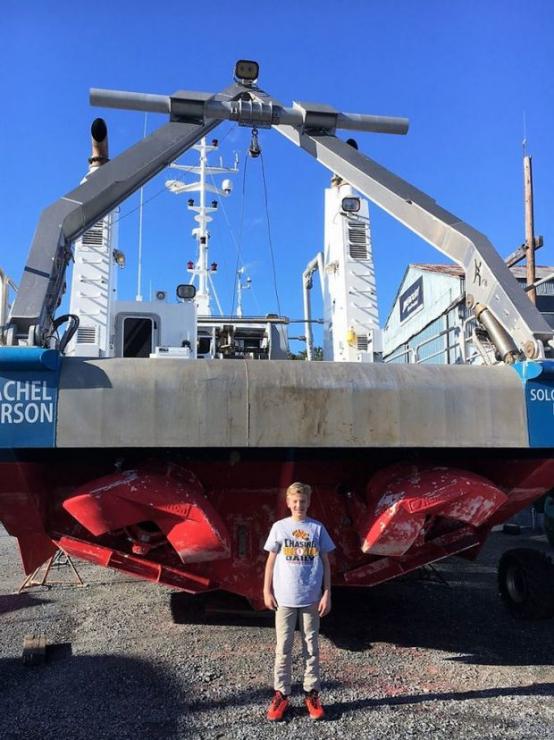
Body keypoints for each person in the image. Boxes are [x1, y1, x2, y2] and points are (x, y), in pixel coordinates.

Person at [263, 481, 335, 721]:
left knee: (311, 646)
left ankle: (311, 693)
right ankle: (281, 694)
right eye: (294, 501)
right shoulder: (280, 528)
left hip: (311, 598)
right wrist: (267, 590)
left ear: (308, 502)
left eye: (302, 501)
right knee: (283, 647)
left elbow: (325, 562)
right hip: (284, 598)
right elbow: (271, 561)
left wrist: (327, 592)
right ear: (288, 503)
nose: (298, 505)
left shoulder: (317, 528)